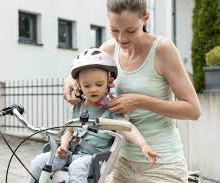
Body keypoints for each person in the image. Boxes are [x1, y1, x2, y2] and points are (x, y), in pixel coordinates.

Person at [63, 0, 201, 182]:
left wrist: (140, 101)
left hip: (162, 165)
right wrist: (69, 82)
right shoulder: (108, 50)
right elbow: (79, 73)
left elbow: (193, 110)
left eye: (130, 30)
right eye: (114, 30)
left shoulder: (162, 50)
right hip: (121, 163)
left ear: (145, 18)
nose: (121, 39)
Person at [30, 48, 161, 183]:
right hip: (70, 153)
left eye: (99, 84)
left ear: (109, 82)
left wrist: (143, 145)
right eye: (86, 85)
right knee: (38, 162)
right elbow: (68, 130)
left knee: (77, 167)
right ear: (79, 85)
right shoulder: (78, 105)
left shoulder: (112, 107)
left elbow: (126, 127)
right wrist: (63, 146)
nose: (93, 89)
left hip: (93, 158)